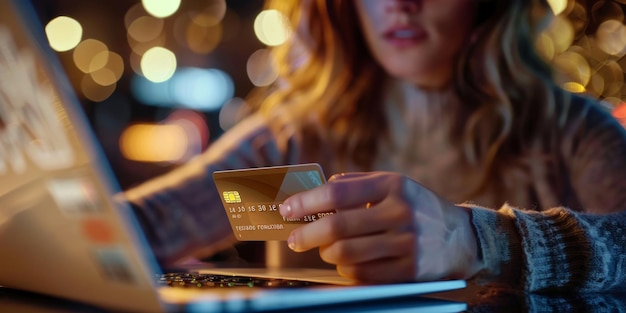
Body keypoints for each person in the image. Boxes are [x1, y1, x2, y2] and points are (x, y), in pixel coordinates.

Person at [122, 0, 626, 293]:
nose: (400, 4)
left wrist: (484, 242)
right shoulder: (294, 134)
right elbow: (147, 228)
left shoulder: (569, 129)